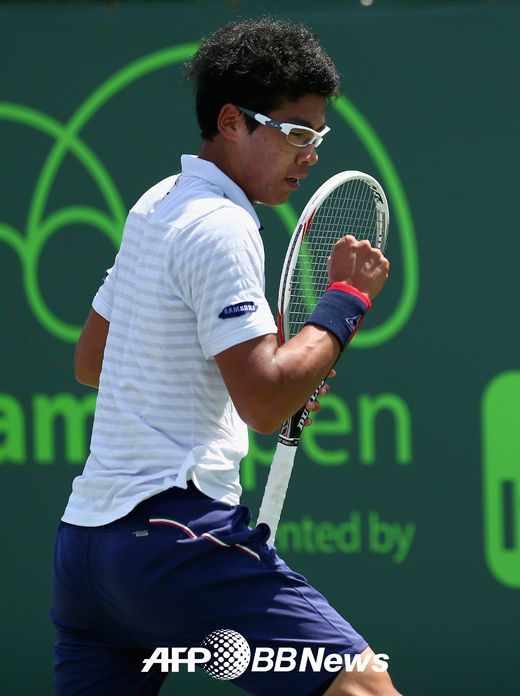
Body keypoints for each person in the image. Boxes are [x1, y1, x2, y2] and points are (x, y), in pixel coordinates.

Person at [51, 17, 399, 696]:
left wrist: (263, 371)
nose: (310, 154)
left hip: (86, 554)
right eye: (295, 133)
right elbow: (266, 402)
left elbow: (92, 360)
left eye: (318, 136)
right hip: (173, 539)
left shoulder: (158, 203)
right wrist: (346, 300)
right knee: (363, 688)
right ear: (232, 121)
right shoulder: (224, 225)